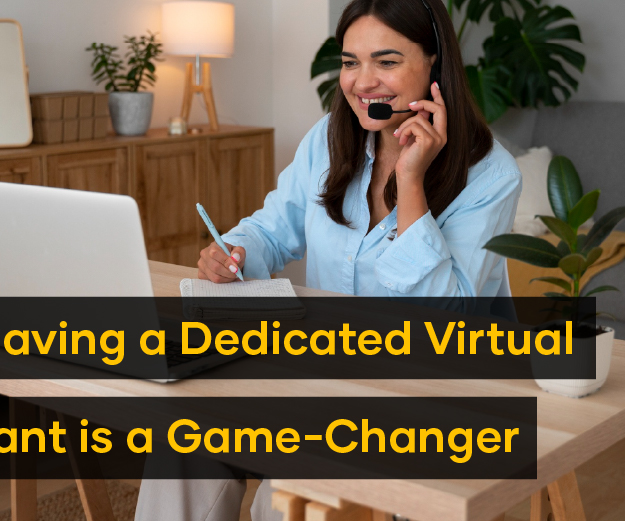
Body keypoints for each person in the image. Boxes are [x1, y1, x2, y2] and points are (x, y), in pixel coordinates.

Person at [136, 0, 521, 518]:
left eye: (386, 62)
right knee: (180, 441)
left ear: (434, 62)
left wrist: (410, 182)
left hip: (431, 390)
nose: (363, 82)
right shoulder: (329, 138)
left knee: (287, 495)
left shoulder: (491, 174)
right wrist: (236, 250)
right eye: (349, 61)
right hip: (324, 372)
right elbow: (273, 228)